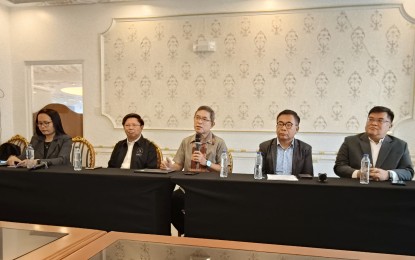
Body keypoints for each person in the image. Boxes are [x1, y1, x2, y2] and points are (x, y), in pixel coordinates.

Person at [160, 105, 228, 235]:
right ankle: (189, 232)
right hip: (187, 188)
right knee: (169, 202)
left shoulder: (219, 143)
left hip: (209, 189)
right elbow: (178, 165)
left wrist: (206, 162)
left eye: (204, 119)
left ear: (212, 124)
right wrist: (170, 166)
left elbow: (225, 169)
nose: (199, 122)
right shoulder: (186, 141)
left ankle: (205, 234)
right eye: (197, 118)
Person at [334, 106, 414, 181]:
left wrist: (388, 174)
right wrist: (358, 174)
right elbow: (339, 167)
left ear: (390, 125)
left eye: (380, 120)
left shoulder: (400, 145)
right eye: (371, 119)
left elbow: (408, 172)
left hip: (387, 191)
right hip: (357, 189)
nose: (374, 123)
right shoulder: (350, 141)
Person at [7, 108, 72, 167]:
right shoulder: (36, 138)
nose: (43, 126)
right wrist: (14, 158)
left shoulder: (65, 139)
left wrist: (38, 162)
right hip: (38, 174)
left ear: (55, 123)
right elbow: (24, 156)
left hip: (58, 174)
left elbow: (62, 160)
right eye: (40, 123)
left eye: (46, 123)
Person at [259, 109, 313, 176]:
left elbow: (307, 177)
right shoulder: (264, 147)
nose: (283, 128)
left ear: (297, 129)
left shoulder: (305, 149)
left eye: (288, 125)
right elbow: (260, 174)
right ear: (276, 127)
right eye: (280, 124)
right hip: (271, 185)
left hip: (295, 186)